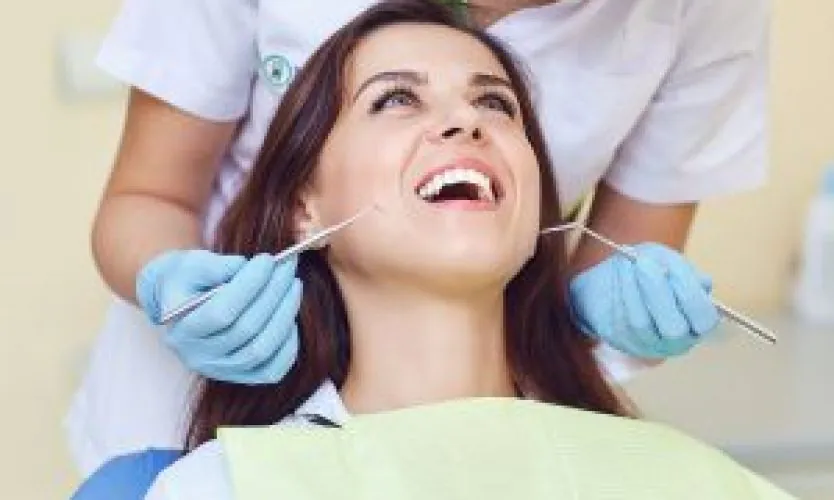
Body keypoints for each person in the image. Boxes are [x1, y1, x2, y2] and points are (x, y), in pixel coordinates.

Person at [68, 0, 768, 484]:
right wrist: (175, 286)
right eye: (396, 99)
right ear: (304, 210)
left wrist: (600, 314)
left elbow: (628, 249)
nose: (465, 123)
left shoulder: (685, 483)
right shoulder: (211, 487)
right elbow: (150, 195)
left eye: (497, 102)